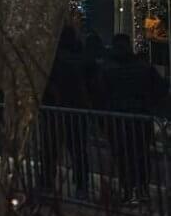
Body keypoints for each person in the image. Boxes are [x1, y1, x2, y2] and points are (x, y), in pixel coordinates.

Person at [101, 34, 169, 203]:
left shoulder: (108, 68)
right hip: (140, 116)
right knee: (141, 153)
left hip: (118, 118)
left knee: (124, 155)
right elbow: (160, 89)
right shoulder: (143, 67)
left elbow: (100, 94)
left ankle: (128, 189)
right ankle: (142, 189)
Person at [39, 25, 96, 197]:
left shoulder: (53, 60)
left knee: (50, 149)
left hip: (56, 111)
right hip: (76, 110)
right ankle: (81, 185)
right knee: (77, 149)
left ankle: (47, 183)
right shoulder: (82, 58)